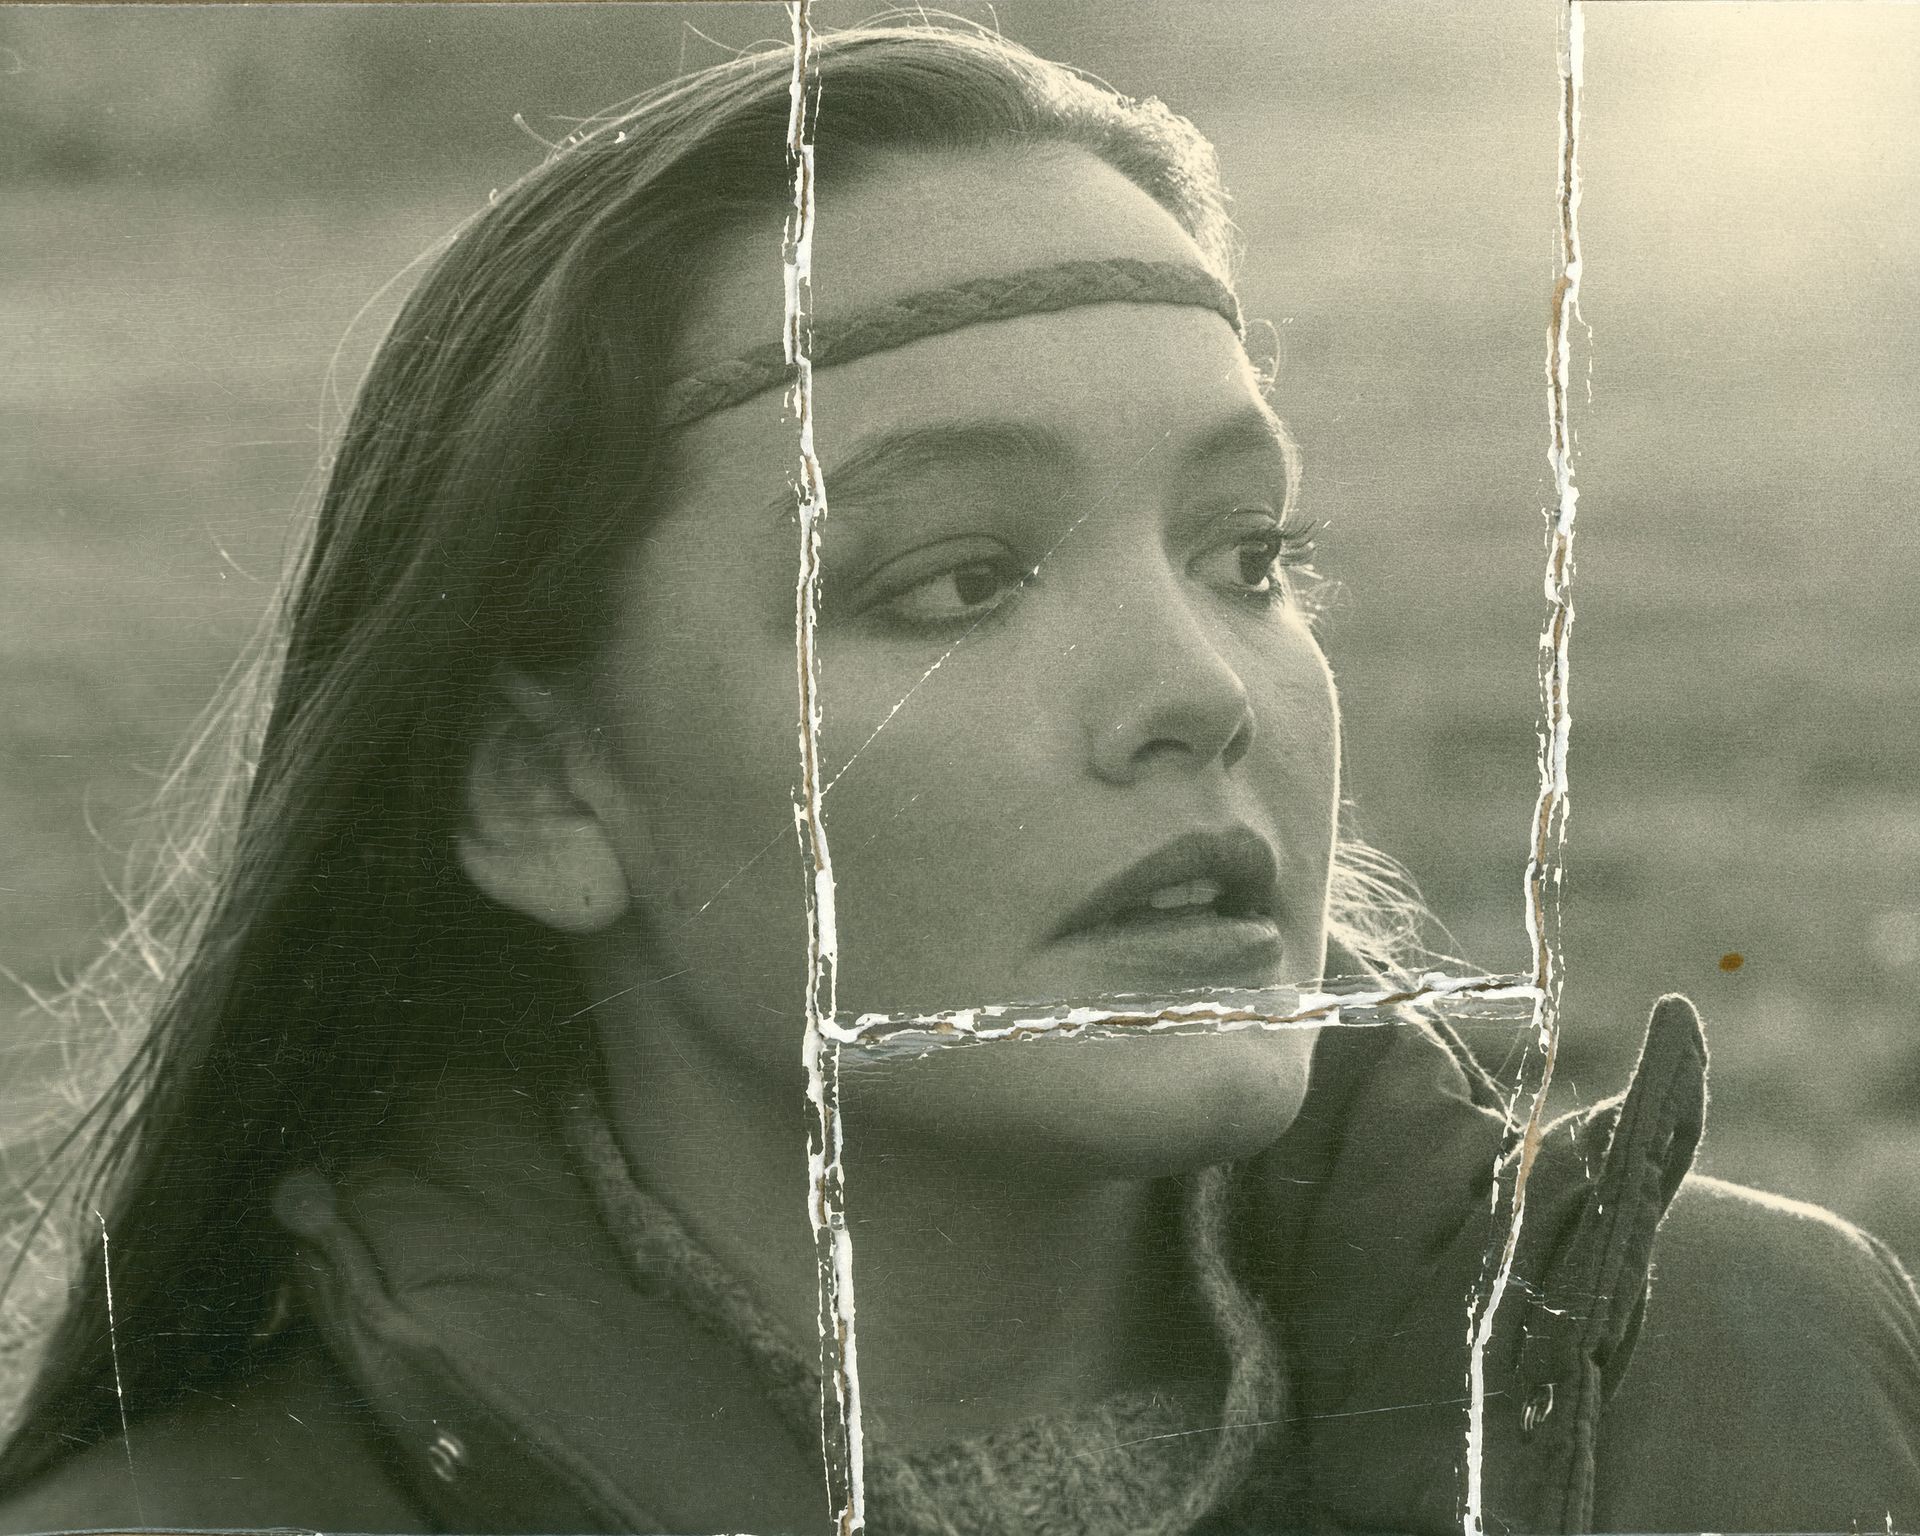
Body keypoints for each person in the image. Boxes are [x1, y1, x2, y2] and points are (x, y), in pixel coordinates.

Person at [1, 21, 1916, 1535]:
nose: (1199, 692)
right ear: (541, 797)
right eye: (954, 581)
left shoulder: (1761, 1383)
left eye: (1249, 556)